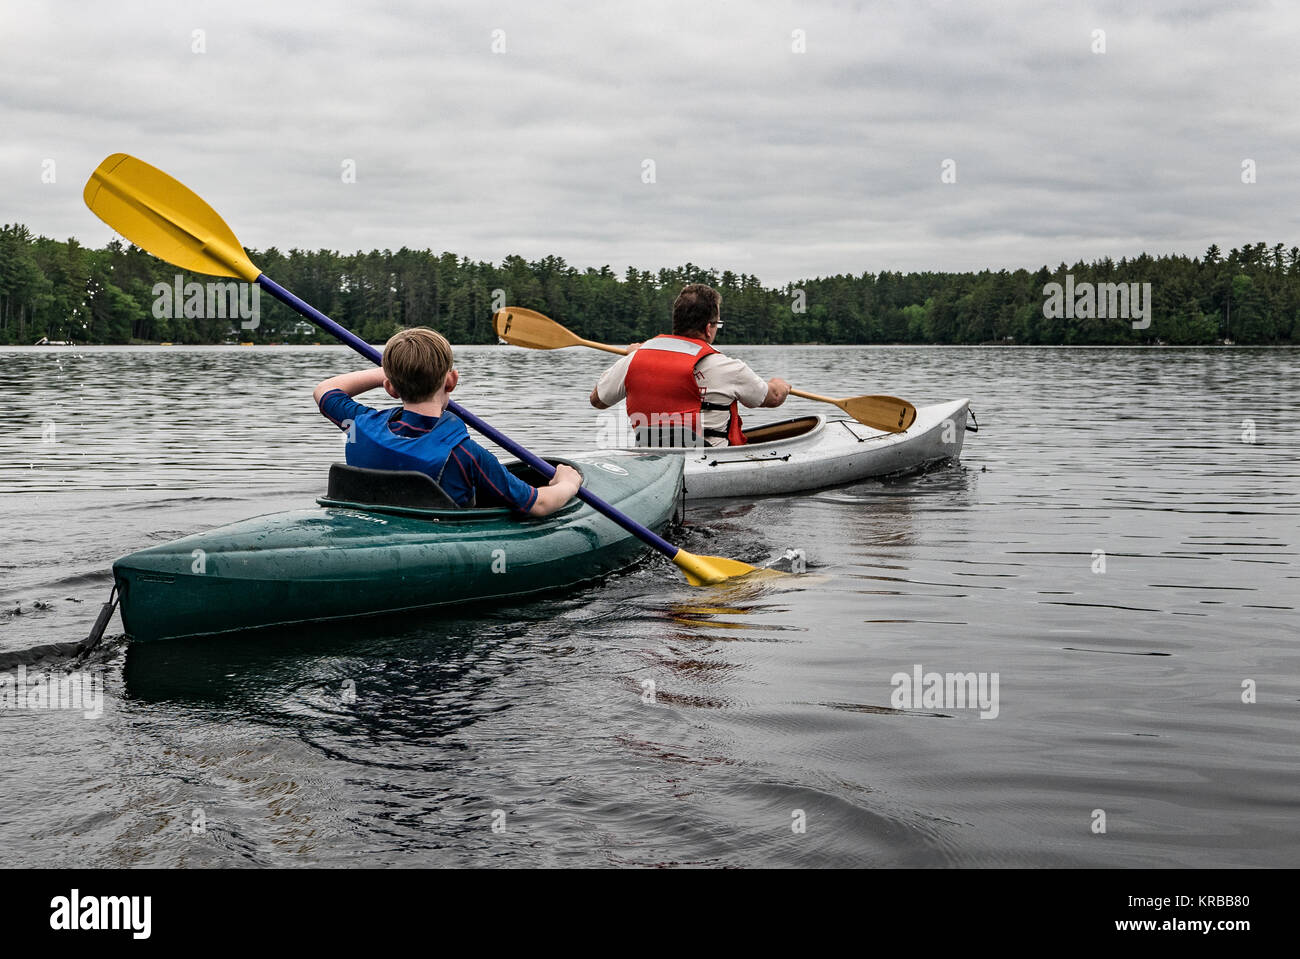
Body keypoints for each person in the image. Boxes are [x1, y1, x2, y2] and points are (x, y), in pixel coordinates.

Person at [314, 327, 581, 516]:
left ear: (390, 388)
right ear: (451, 380)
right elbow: (539, 505)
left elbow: (325, 390)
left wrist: (393, 371)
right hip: (437, 540)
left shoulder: (359, 424)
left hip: (377, 527)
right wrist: (568, 483)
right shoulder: (466, 453)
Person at [589, 283, 792, 447]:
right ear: (708, 328)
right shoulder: (729, 368)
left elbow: (597, 400)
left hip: (651, 462)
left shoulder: (633, 360)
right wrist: (780, 385)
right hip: (710, 461)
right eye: (717, 324)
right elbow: (772, 398)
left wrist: (630, 357)